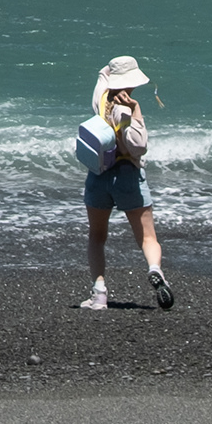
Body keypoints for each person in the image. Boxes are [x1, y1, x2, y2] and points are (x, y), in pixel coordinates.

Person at [75, 56, 176, 311]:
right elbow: (138, 146)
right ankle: (156, 271)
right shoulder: (127, 108)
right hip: (127, 175)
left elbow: (103, 73)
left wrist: (112, 69)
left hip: (99, 174)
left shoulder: (100, 96)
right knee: (147, 237)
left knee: (97, 236)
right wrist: (136, 112)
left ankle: (99, 295)